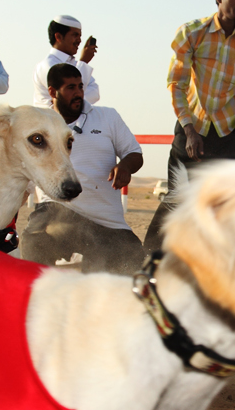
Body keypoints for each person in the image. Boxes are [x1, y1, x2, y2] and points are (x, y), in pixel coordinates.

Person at [142, 0, 235, 251]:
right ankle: (144, 264)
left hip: (229, 134)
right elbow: (176, 84)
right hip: (192, 131)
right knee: (177, 200)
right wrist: (188, 129)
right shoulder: (191, 33)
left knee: (232, 206)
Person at [18, 65, 144, 274]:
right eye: (70, 88)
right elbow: (25, 178)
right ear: (52, 92)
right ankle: (34, 297)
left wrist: (125, 166)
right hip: (58, 212)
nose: (78, 93)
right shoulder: (39, 126)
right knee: (36, 237)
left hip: (106, 221)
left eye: (80, 86)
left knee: (134, 263)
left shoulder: (107, 117)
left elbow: (134, 154)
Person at [31, 15, 100, 107]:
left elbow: (95, 93)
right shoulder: (47, 65)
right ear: (58, 37)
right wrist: (83, 62)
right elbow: (66, 98)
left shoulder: (75, 64)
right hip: (49, 120)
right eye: (75, 35)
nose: (79, 41)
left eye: (80, 36)